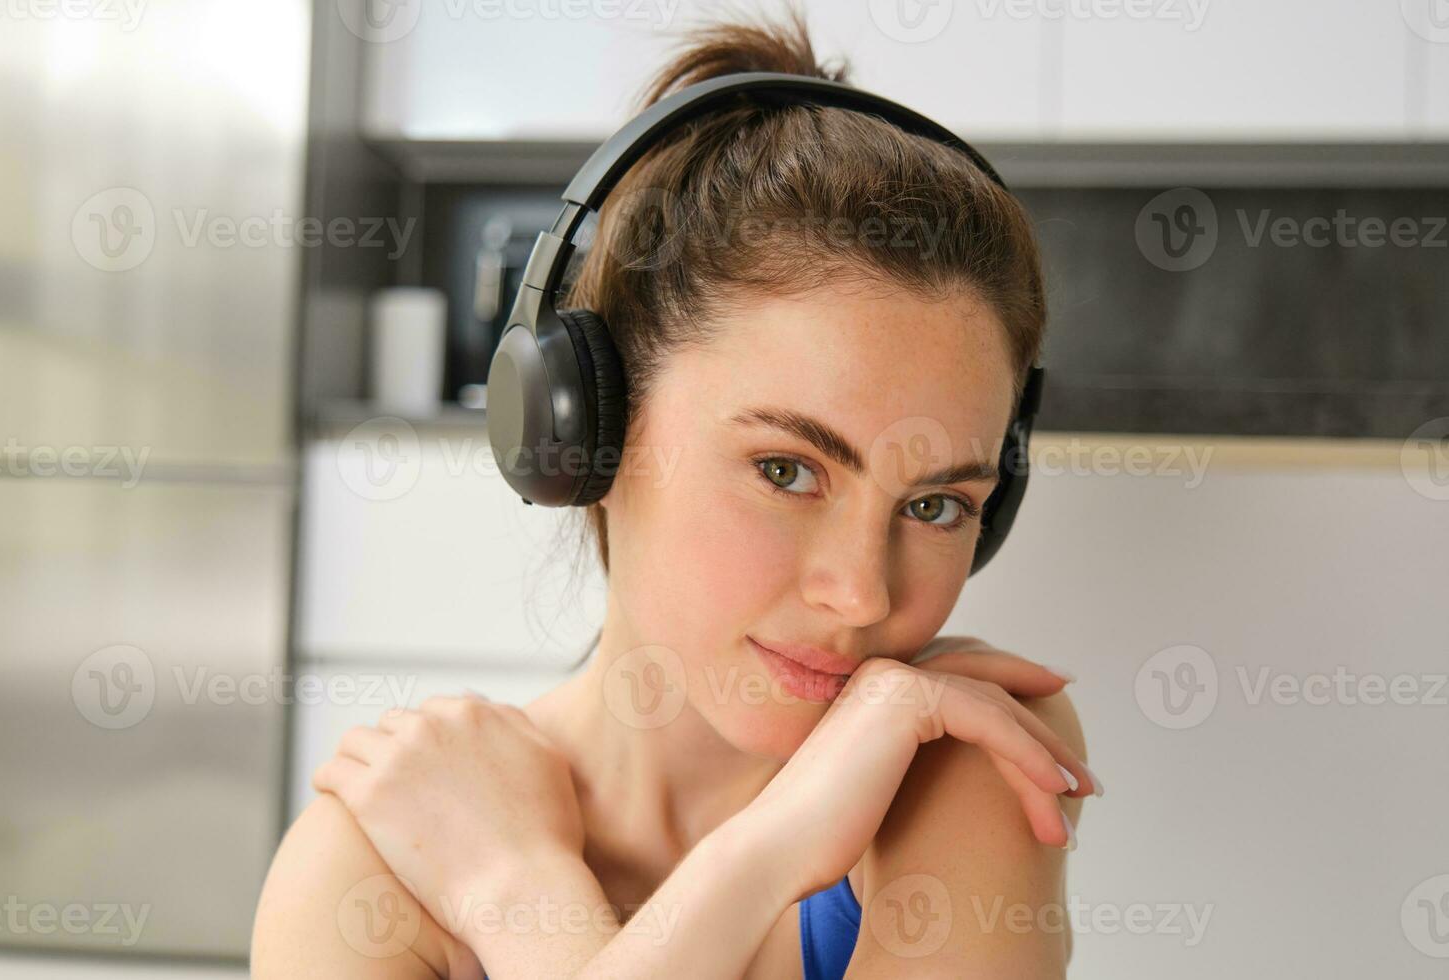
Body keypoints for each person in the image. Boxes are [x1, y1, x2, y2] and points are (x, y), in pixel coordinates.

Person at [251, 5, 1097, 978]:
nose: (862, 594)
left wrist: (525, 896)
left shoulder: (956, 753)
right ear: (586, 434)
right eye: (787, 469)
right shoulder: (369, 864)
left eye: (936, 504)